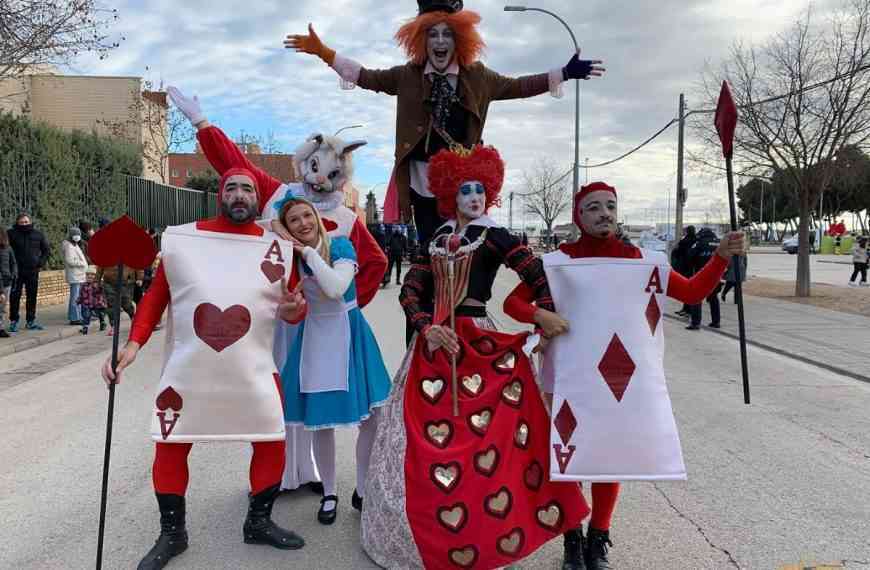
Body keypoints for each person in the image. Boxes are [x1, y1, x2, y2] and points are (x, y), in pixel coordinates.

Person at [361, 145, 590, 570]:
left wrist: (542, 323)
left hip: (478, 340)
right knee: (416, 434)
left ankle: (488, 530)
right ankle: (424, 536)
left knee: (489, 437)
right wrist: (427, 327)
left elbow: (538, 278)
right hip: (434, 343)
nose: (474, 198)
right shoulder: (435, 239)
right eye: (466, 190)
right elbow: (411, 290)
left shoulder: (497, 235)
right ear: (450, 195)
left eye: (481, 191)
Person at [502, 181, 745, 570]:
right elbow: (513, 302)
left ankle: (598, 539)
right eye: (594, 207)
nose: (605, 214)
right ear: (578, 217)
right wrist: (540, 315)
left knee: (609, 458)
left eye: (610, 206)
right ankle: (572, 540)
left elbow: (694, 293)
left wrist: (719, 257)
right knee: (569, 457)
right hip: (568, 375)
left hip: (623, 382)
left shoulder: (643, 260)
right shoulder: (555, 264)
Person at [101, 168, 307, 569]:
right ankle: (172, 534)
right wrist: (132, 345)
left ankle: (259, 522)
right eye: (231, 187)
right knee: (171, 441)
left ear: (257, 197)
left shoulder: (278, 247)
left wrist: (296, 311)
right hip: (189, 367)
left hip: (254, 366)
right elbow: (158, 294)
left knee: (271, 439)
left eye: (248, 188)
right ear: (220, 195)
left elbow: (294, 308)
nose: (240, 194)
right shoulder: (183, 239)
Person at [285, 0, 605, 245]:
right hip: (421, 181)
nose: (440, 42)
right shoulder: (407, 76)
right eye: (432, 34)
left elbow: (519, 86)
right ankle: (423, 323)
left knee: (463, 248)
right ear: (421, 40)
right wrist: (324, 53)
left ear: (460, 40)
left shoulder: (478, 77)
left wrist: (564, 72)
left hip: (462, 181)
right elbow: (367, 76)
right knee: (429, 250)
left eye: (447, 34)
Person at [274, 196, 391, 524]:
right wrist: (281, 234)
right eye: (294, 220)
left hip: (351, 334)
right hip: (315, 339)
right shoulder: (289, 258)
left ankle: (362, 488)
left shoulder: (340, 247)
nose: (303, 223)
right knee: (320, 423)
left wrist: (307, 252)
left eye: (307, 216)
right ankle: (328, 492)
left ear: (317, 217)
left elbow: (336, 287)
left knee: (372, 419)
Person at [7, 213, 50, 332]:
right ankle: (13, 321)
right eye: (21, 222)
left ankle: (30, 321)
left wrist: (40, 263)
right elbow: (5, 249)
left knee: (32, 296)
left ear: (30, 222)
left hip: (32, 271)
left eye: (26, 222)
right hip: (16, 271)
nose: (24, 224)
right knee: (15, 296)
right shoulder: (11, 234)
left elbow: (46, 250)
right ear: (17, 223)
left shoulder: (38, 234)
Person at [686, 228, 722, 330]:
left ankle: (695, 323)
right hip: (716, 276)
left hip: (701, 275)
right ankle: (716, 322)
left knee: (696, 298)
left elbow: (690, 256)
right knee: (713, 298)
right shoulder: (719, 243)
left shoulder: (700, 243)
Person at [95, 262, 142, 336]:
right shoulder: (106, 253)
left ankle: (133, 317)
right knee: (111, 304)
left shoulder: (130, 251)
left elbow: (136, 263)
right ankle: (114, 326)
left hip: (126, 282)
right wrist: (96, 280)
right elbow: (100, 266)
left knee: (126, 303)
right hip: (109, 282)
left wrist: (140, 277)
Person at [61, 226, 89, 325]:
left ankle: (77, 316)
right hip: (75, 275)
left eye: (78, 235)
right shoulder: (69, 246)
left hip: (78, 275)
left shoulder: (74, 244)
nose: (77, 237)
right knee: (75, 297)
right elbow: (70, 261)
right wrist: (82, 264)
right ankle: (74, 318)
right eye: (75, 235)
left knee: (78, 297)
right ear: (71, 235)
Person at [671, 225, 696, 318]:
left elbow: (677, 252)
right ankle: (686, 309)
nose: (684, 232)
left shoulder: (685, 241)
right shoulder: (696, 240)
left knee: (687, 288)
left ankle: (687, 309)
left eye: (685, 231)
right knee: (688, 288)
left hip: (686, 267)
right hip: (692, 267)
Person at [76, 266, 107, 334]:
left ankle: (102, 322)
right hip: (87, 304)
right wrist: (79, 300)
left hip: (97, 303)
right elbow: (81, 294)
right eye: (88, 274)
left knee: (100, 314)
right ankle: (85, 327)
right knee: (86, 315)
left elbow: (103, 292)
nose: (90, 276)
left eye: (92, 275)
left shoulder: (99, 284)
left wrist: (105, 301)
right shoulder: (83, 285)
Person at [0, 228, 17, 339]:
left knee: (3, 307)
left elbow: (13, 262)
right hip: (1, 283)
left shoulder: (8, 248)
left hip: (7, 282)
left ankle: (0, 328)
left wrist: (14, 275)